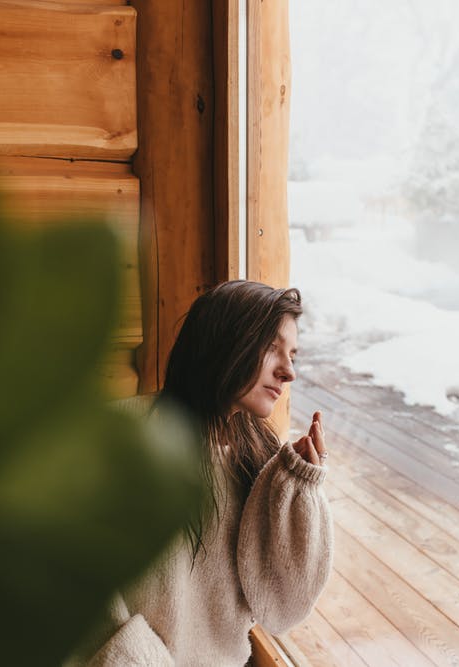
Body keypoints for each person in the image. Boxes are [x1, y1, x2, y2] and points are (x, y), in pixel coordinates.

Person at [76, 280, 333, 666]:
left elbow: (281, 610)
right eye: (271, 348)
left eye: (293, 354)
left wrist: (301, 487)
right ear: (223, 342)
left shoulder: (259, 459)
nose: (288, 371)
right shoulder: (117, 439)